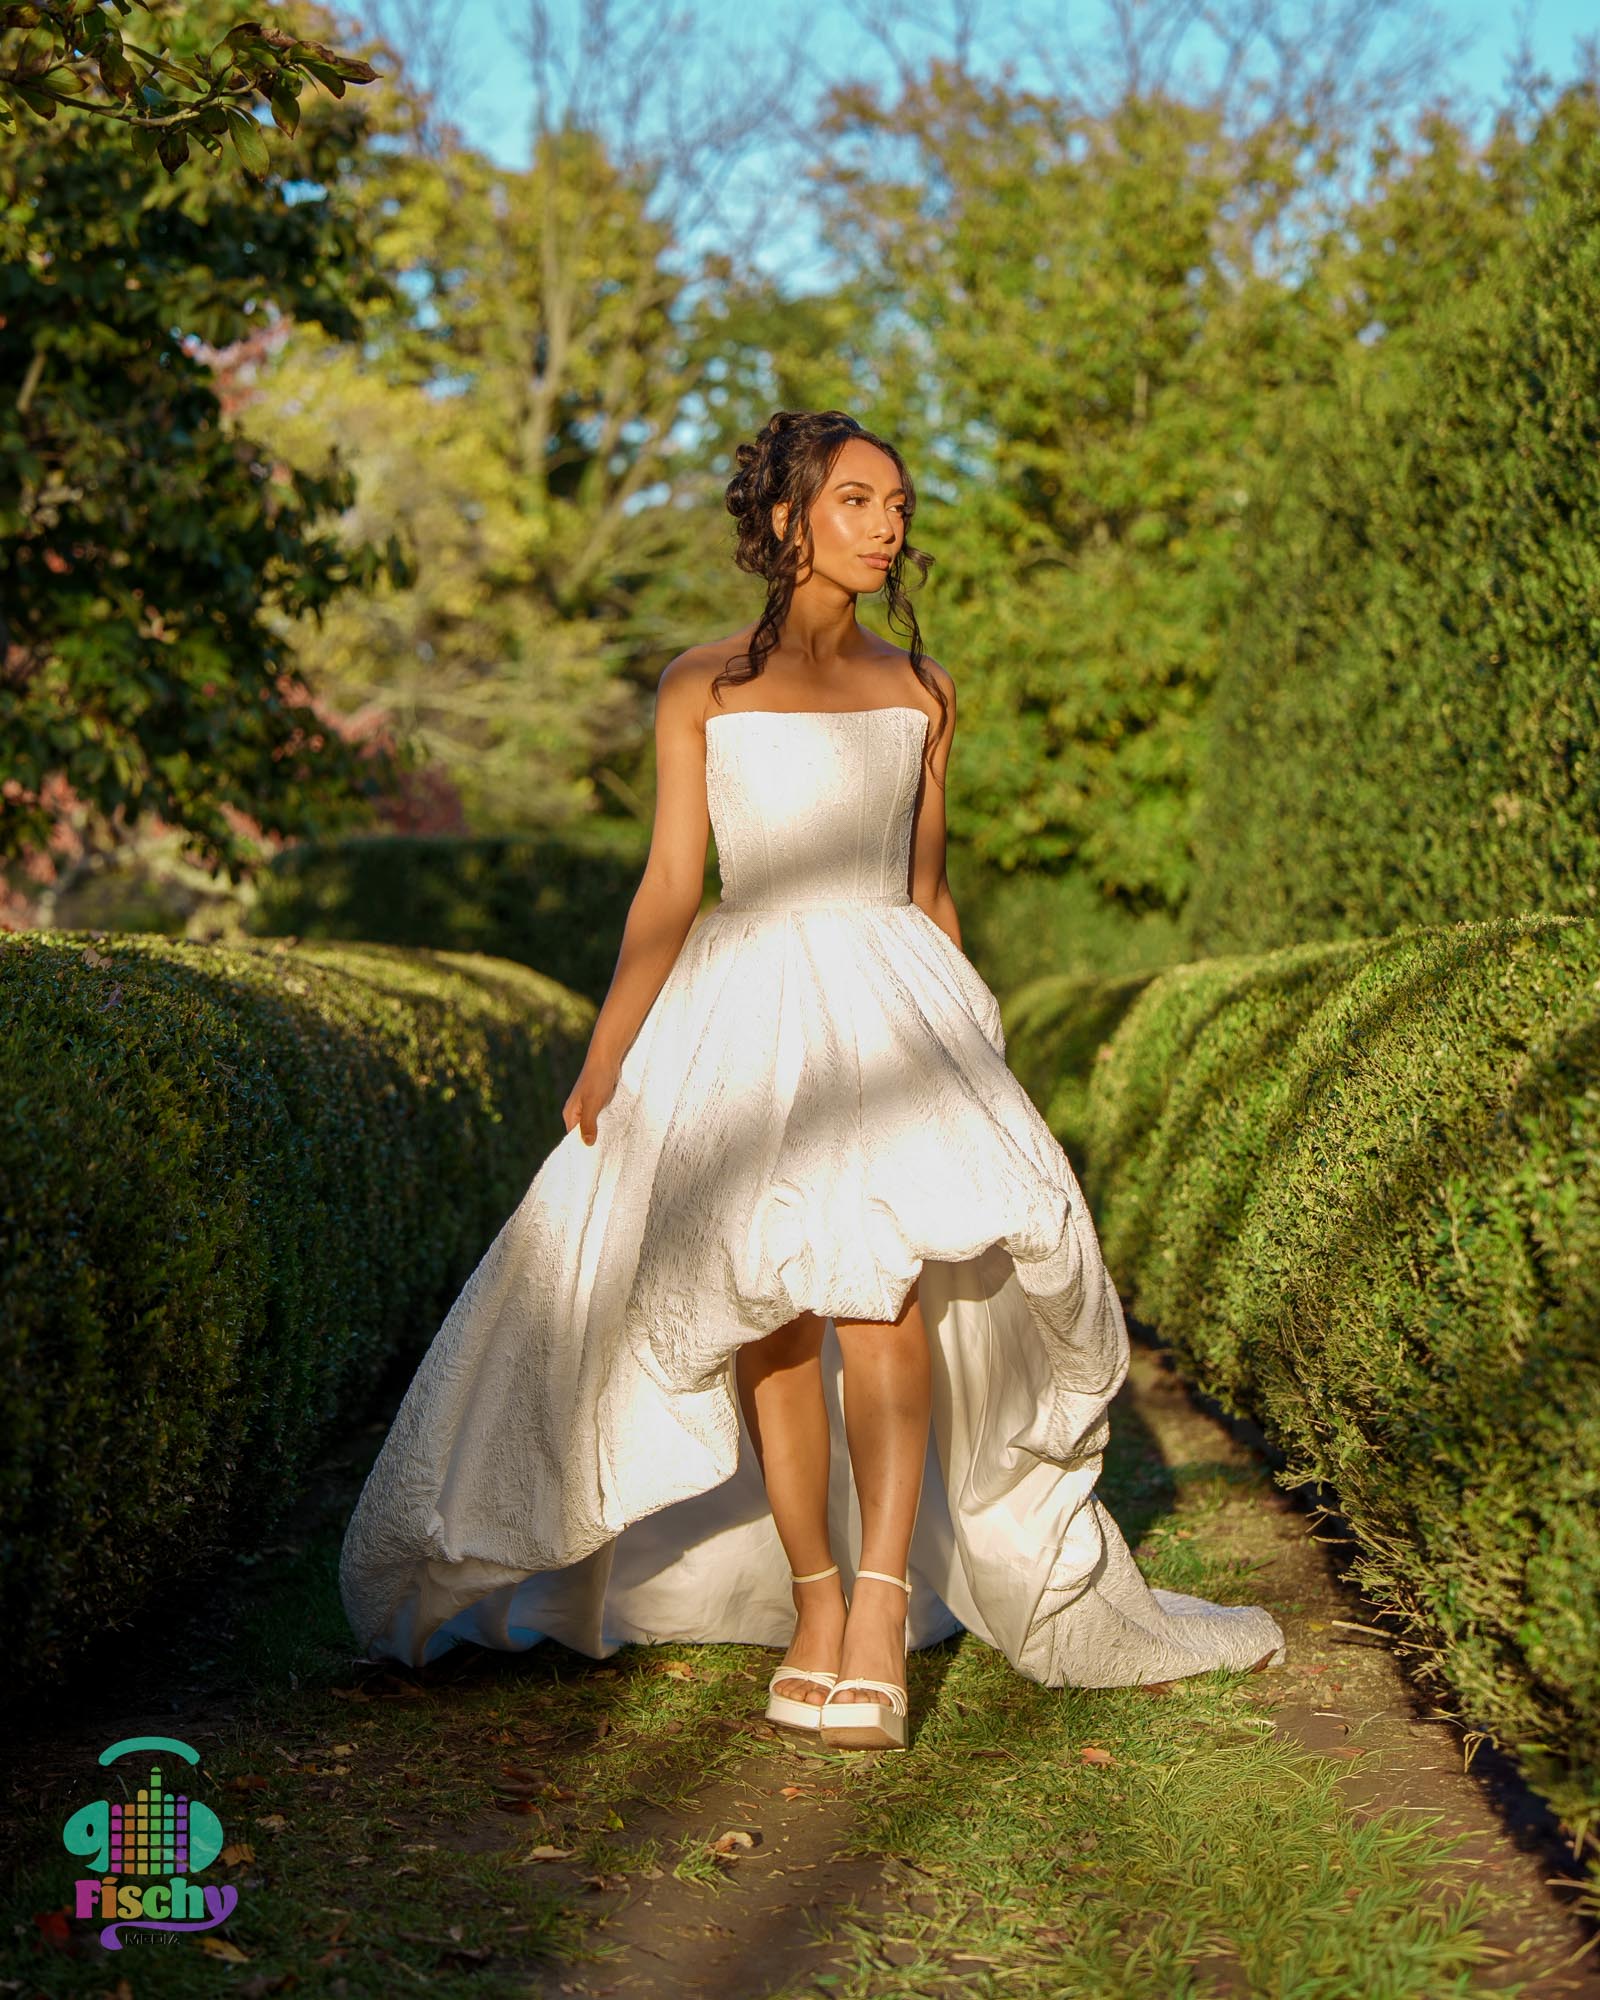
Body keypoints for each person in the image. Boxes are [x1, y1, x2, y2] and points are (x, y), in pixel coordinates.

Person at [338, 410, 1285, 1753]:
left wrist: (973, 1046)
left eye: (897, 500)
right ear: (788, 522)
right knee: (772, 1313)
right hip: (746, 1018)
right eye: (856, 499)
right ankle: (817, 1601)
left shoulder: (924, 693)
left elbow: (929, 888)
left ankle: (883, 1609)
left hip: (893, 1023)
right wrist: (610, 1051)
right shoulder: (700, 688)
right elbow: (672, 885)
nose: (888, 522)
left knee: (885, 1303)